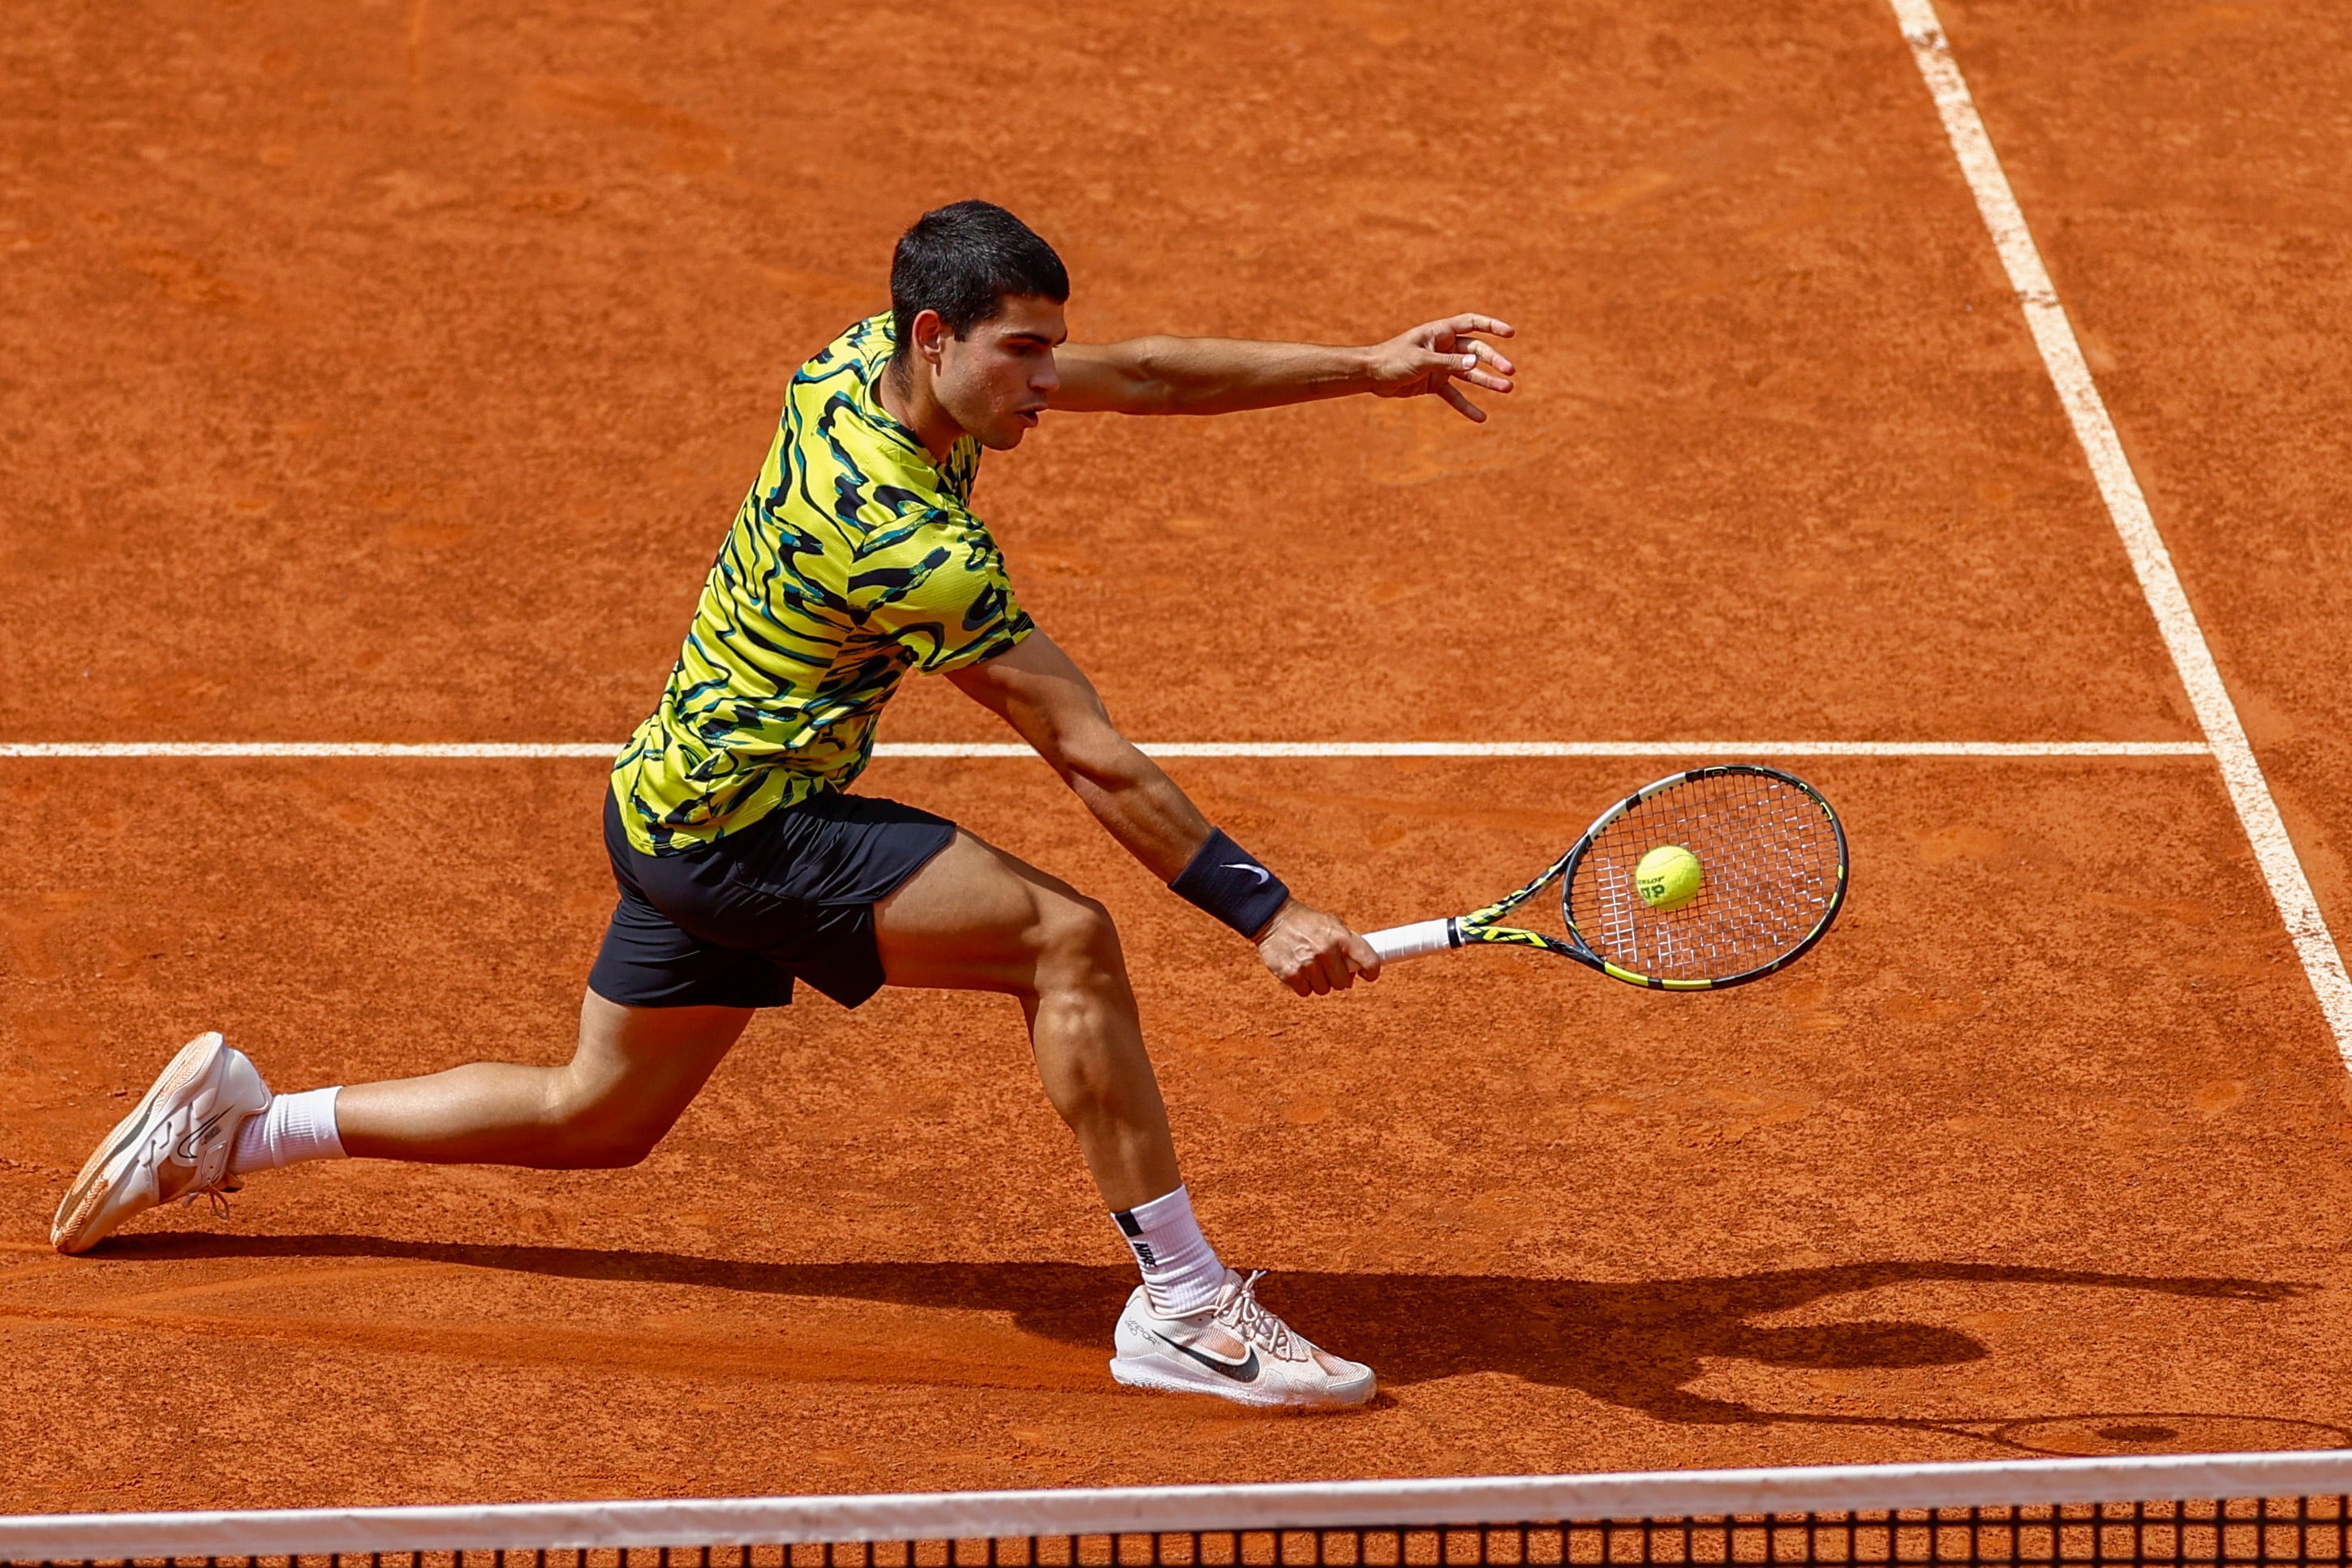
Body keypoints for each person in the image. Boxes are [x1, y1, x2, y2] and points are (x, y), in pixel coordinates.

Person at [49, 200, 1516, 1411]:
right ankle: (1186, 1307)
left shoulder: (850, 365)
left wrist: (1360, 366)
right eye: (1025, 354)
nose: (1050, 381)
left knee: (593, 1116)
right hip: (750, 832)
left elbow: (1139, 373)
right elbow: (1087, 748)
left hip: (671, 797)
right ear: (937, 341)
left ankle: (242, 1128)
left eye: (1049, 348)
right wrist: (1263, 907)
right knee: (1065, 942)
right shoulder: (909, 540)